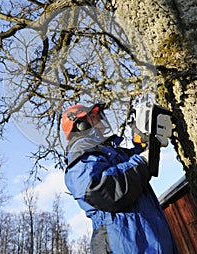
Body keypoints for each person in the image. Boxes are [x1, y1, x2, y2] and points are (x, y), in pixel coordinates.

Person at [63, 102, 178, 254]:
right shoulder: (82, 154)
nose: (102, 124)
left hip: (145, 238)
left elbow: (132, 162)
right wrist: (142, 161)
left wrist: (144, 139)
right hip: (123, 241)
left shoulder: (108, 151)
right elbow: (101, 190)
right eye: (96, 118)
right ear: (81, 125)